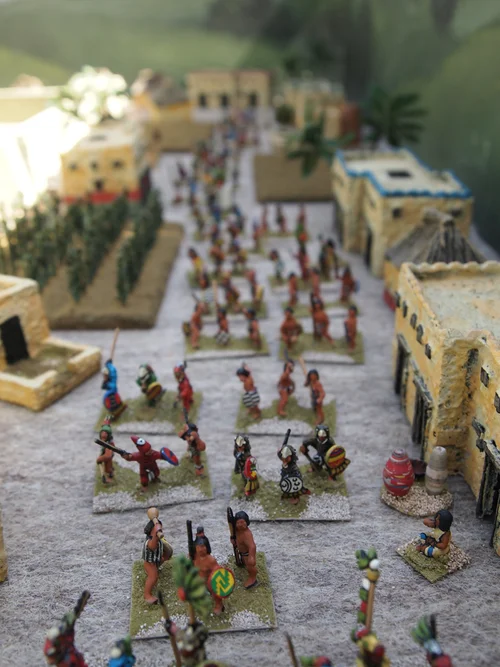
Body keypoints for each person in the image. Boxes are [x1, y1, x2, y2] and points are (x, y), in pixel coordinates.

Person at [142, 507, 173, 604]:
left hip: (156, 560)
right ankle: (147, 595)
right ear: (152, 531)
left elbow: (162, 544)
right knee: (153, 577)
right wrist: (156, 535)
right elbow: (153, 546)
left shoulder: (157, 539)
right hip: (150, 563)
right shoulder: (150, 542)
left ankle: (158, 566)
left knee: (165, 557)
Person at [192, 533, 224, 615]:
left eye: (202, 546)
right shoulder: (194, 557)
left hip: (209, 582)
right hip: (199, 581)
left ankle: (219, 604)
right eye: (198, 547)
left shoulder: (211, 560)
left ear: (207, 547)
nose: (200, 549)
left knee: (215, 592)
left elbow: (217, 571)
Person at [233, 511, 258, 589]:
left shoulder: (247, 534)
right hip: (241, 553)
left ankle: (253, 578)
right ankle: (243, 563)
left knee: (250, 566)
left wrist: (251, 557)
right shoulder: (237, 531)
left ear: (247, 522)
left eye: (242, 522)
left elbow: (252, 546)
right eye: (238, 523)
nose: (240, 525)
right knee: (244, 561)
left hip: (247, 554)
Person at [96, 417, 115, 484]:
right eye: (102, 433)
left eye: (105, 434)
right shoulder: (105, 442)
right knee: (107, 466)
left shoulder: (109, 445)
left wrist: (100, 459)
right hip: (105, 455)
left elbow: (108, 456)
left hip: (108, 457)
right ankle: (110, 473)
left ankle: (110, 476)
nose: (103, 435)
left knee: (108, 467)